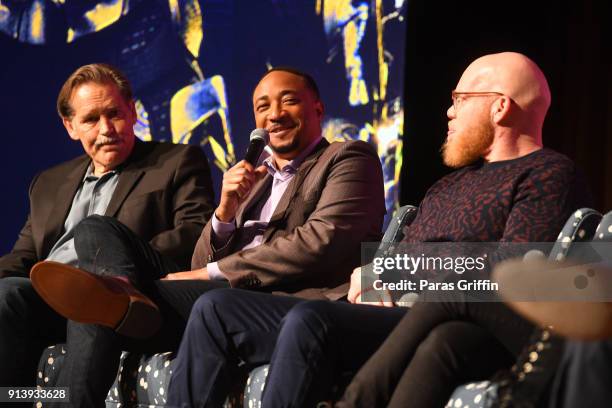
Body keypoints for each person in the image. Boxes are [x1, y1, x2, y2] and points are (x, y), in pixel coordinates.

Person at [166, 52, 591, 408]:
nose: (449, 110)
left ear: (499, 106)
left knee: (312, 318)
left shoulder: (547, 172)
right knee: (216, 308)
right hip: (387, 311)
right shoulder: (449, 184)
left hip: (449, 317)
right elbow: (387, 260)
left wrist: (392, 269)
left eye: (460, 99)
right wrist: (373, 272)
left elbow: (509, 266)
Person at [31, 66, 386, 407]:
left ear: (318, 107)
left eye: (288, 101)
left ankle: (116, 297)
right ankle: (120, 288)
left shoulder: (347, 156)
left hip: (284, 300)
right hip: (223, 294)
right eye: (263, 107)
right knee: (97, 242)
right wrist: (225, 212)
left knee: (106, 295)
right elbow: (201, 263)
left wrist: (215, 273)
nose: (274, 114)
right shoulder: (254, 179)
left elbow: (322, 240)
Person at [0, 63, 215, 390]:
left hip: (125, 295)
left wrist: (114, 259)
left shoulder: (177, 161)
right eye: (90, 119)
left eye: (114, 113)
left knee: (95, 245)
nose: (106, 128)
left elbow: (194, 230)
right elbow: (24, 256)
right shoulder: (48, 183)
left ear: (132, 111)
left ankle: (105, 292)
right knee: (7, 293)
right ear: (70, 126)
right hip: (51, 297)